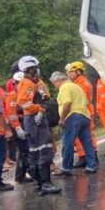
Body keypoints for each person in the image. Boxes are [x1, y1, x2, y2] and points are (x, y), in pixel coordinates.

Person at [16, 56, 61, 196]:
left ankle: (39, 184)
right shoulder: (28, 83)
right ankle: (45, 184)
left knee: (34, 152)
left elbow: (43, 94)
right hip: (35, 118)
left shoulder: (33, 82)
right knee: (44, 149)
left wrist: (44, 97)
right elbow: (23, 102)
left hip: (32, 119)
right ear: (29, 70)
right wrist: (39, 108)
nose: (37, 70)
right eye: (35, 68)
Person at [51, 71, 98, 175]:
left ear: (58, 80)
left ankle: (66, 169)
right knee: (87, 143)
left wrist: (62, 118)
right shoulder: (76, 86)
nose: (55, 86)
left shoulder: (65, 87)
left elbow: (67, 103)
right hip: (84, 116)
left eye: (54, 83)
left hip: (73, 116)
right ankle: (91, 166)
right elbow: (86, 102)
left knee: (68, 143)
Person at [65, 62, 97, 168]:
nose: (68, 74)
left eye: (70, 72)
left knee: (84, 136)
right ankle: (89, 156)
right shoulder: (82, 82)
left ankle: (86, 157)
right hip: (86, 111)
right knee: (87, 136)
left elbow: (78, 99)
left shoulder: (81, 84)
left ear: (78, 72)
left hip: (82, 111)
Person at [5, 72, 31, 183]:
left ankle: (23, 174)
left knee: (27, 151)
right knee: (24, 151)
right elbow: (12, 114)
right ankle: (20, 176)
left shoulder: (26, 94)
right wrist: (17, 127)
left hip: (26, 123)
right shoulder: (12, 97)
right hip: (18, 126)